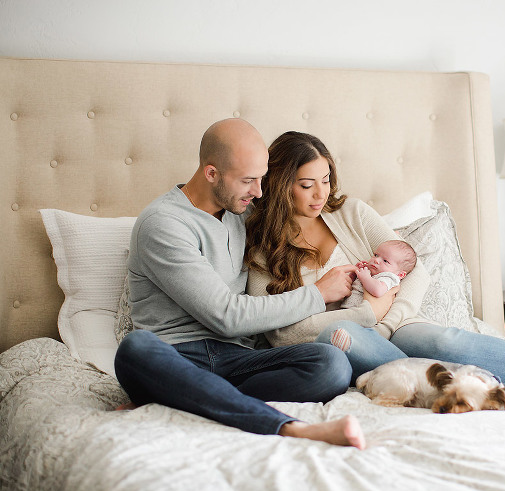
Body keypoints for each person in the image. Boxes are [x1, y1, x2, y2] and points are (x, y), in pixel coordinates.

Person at [246, 131, 505, 399]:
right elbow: (282, 335)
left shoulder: (351, 213)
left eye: (326, 180)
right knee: (340, 337)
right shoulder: (263, 243)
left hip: (395, 326)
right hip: (346, 341)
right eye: (306, 184)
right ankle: (486, 390)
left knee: (446, 341)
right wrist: (368, 316)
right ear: (281, 184)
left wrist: (387, 321)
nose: (320, 194)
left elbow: (413, 268)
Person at [114, 119, 365, 449]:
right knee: (135, 349)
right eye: (248, 180)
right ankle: (291, 429)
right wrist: (317, 294)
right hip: (176, 356)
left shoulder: (244, 211)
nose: (258, 192)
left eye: (261, 178)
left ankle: (183, 397)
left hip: (240, 360)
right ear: (211, 173)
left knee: (331, 365)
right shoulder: (164, 224)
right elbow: (227, 316)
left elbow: (305, 209)